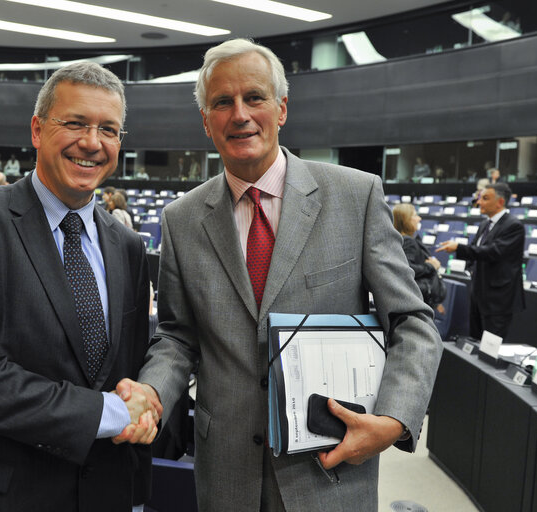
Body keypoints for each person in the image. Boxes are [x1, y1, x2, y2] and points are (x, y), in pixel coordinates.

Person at [118, 39, 442, 511]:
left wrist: (393, 419)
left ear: (282, 108)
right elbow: (177, 336)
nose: (240, 114)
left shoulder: (356, 196)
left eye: (255, 97)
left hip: (331, 467)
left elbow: (413, 323)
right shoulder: (182, 219)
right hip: (226, 472)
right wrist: (152, 390)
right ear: (206, 122)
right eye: (222, 103)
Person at [0, 61, 157, 511]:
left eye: (108, 129)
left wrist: (147, 407)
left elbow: (129, 366)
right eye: (75, 123)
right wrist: (106, 413)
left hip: (104, 493)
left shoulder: (126, 245)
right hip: (0, 497)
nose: (92, 142)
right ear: (37, 129)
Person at [437, 183, 525, 339]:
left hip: (498, 299)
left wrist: (459, 248)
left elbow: (494, 251)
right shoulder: (485, 224)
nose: (479, 202)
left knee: (490, 348)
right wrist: (471, 267)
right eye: (479, 198)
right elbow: (476, 249)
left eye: (485, 198)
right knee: (475, 342)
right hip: (478, 294)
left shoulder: (514, 226)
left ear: (500, 202)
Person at [392, 204, 445, 314]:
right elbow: (406, 268)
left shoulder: (398, 240)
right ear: (406, 220)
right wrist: (432, 266)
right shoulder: (408, 242)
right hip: (416, 298)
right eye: (415, 215)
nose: (419, 218)